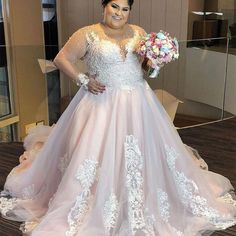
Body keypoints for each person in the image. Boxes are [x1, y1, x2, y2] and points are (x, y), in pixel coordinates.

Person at [1, 0, 236, 235]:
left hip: (139, 102)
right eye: (114, 6)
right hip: (101, 102)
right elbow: (62, 58)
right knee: (96, 152)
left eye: (125, 9)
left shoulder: (139, 32)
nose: (119, 13)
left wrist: (156, 61)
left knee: (146, 152)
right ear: (104, 6)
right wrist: (83, 80)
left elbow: (145, 68)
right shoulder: (87, 34)